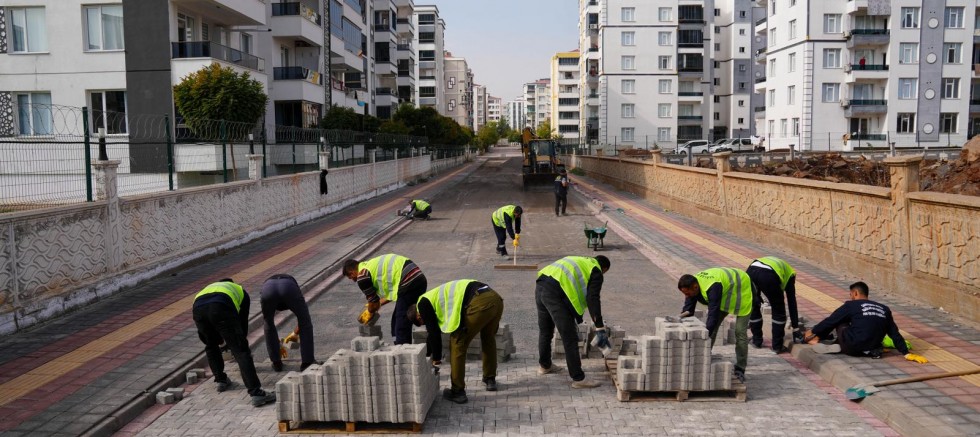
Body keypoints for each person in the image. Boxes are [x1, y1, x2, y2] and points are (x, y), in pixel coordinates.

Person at [408, 280, 504, 404]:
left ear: (418, 316)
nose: (425, 323)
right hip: (495, 299)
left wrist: (436, 359)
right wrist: (428, 354)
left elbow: (434, 332)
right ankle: (490, 379)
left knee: (457, 343)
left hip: (479, 302)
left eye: (423, 322)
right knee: (488, 338)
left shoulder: (422, 304)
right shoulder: (432, 298)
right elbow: (432, 334)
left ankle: (457, 391)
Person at [192, 278, 277, 407]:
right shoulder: (240, 291)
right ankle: (256, 394)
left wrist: (222, 342)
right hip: (220, 307)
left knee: (210, 345)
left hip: (198, 309)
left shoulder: (207, 290)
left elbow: (205, 335)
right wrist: (235, 344)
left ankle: (221, 380)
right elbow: (242, 325)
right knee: (241, 350)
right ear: (232, 283)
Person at [804, 282, 928, 363]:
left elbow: (831, 321)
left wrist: (813, 331)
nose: (851, 297)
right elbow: (894, 332)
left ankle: (826, 340)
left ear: (855, 293)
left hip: (852, 347)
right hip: (873, 346)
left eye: (851, 294)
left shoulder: (851, 305)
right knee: (868, 323)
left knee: (841, 320)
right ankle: (870, 348)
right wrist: (906, 353)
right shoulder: (884, 308)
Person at [536, 255, 611, 389]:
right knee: (570, 337)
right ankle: (578, 379)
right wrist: (599, 327)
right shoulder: (596, 270)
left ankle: (545, 366)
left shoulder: (581, 261)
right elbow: (593, 298)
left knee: (545, 331)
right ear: (604, 269)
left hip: (541, 285)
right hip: (555, 293)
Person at [677, 268, 753, 383]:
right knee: (712, 329)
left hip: (741, 292)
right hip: (726, 294)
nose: (687, 296)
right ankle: (705, 358)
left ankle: (740, 368)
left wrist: (705, 335)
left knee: (739, 332)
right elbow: (689, 308)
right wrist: (681, 322)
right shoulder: (693, 283)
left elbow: (713, 314)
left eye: (687, 293)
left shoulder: (712, 288)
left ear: (695, 287)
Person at [343, 254, 428, 345]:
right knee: (396, 321)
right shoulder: (370, 266)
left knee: (401, 322)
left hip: (409, 281)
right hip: (417, 278)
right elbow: (392, 293)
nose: (354, 280)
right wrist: (377, 304)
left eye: (351, 277)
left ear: (352, 272)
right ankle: (398, 344)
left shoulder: (362, 276)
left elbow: (373, 303)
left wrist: (369, 312)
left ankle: (403, 349)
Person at [260, 274, 317, 372]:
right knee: (305, 321)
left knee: (268, 323)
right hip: (288, 287)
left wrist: (292, 335)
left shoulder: (267, 286)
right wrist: (296, 333)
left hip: (268, 289)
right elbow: (303, 321)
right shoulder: (293, 286)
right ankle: (307, 362)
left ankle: (276, 362)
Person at [747, 257, 801, 354]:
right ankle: (777, 346)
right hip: (768, 275)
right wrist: (795, 327)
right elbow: (791, 301)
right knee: (778, 310)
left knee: (753, 305)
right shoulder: (790, 275)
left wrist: (757, 296)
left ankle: (757, 341)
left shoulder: (780, 266)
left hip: (751, 270)